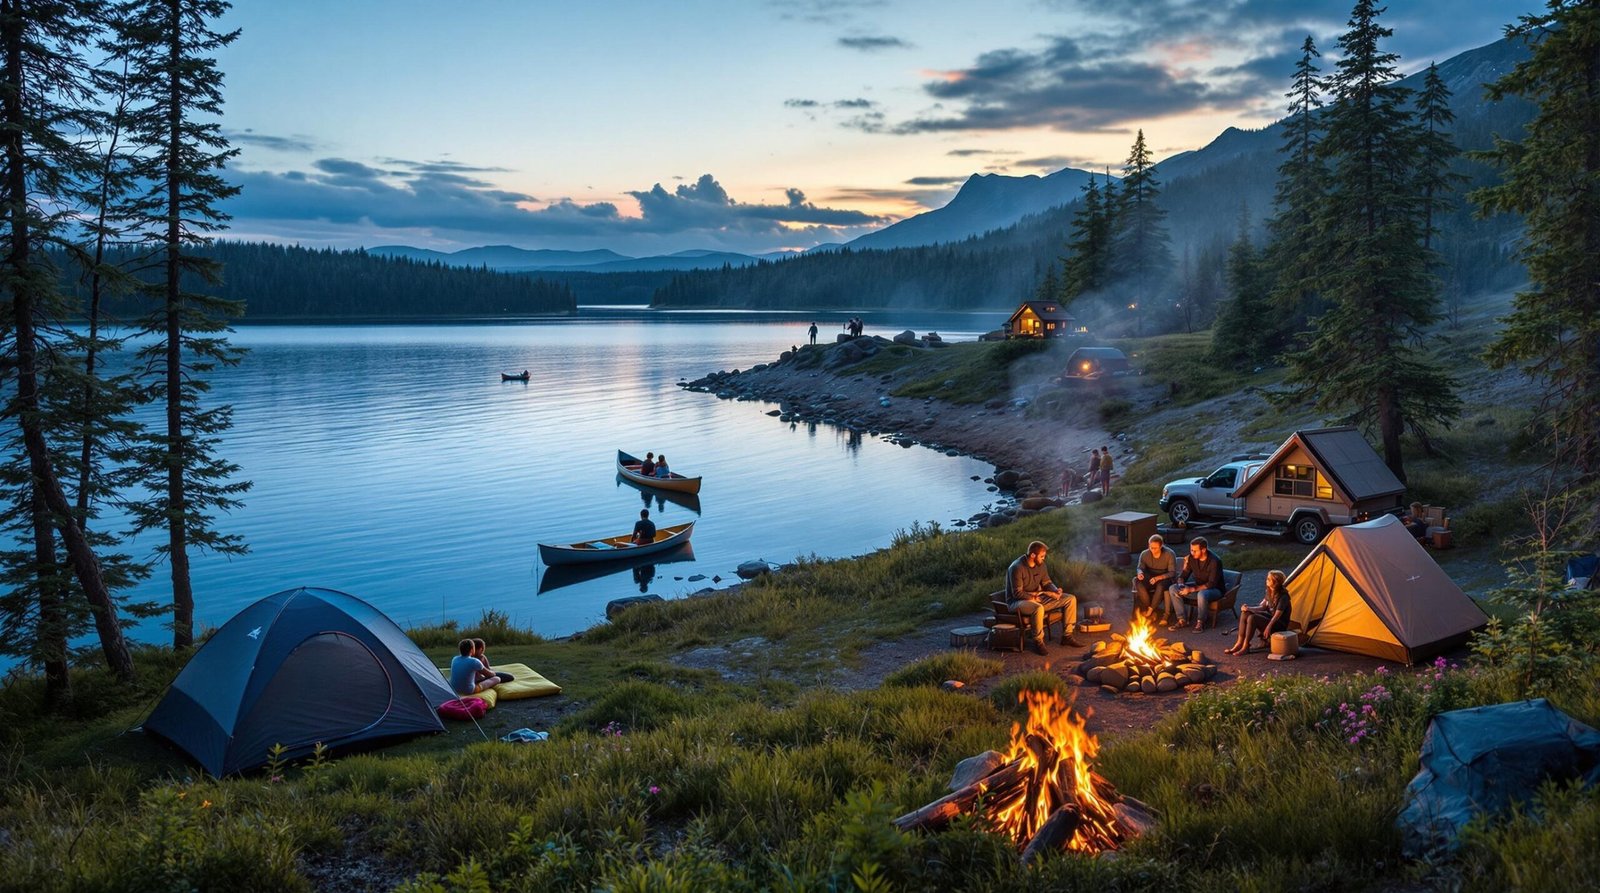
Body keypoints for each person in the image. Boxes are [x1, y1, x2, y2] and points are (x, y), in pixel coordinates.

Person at [1006, 540, 1082, 654]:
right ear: (1032, 555)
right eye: (1042, 556)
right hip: (1017, 602)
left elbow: (1047, 583)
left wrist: (1055, 590)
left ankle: (1067, 636)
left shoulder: (1040, 565)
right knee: (1038, 608)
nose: (1043, 558)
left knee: (1070, 599)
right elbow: (1017, 593)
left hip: (1037, 597)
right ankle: (1038, 641)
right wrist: (1033, 598)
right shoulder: (1017, 567)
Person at [1228, 569, 1293, 655]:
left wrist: (1268, 627)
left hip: (1278, 624)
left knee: (1253, 618)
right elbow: (1262, 606)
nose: (1266, 580)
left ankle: (1246, 646)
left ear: (1276, 582)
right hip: (1271, 619)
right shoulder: (1269, 592)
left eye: (1269, 579)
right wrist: (1248, 608)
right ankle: (1239, 643)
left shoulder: (1283, 596)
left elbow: (1277, 615)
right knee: (1246, 613)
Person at [1169, 537, 1225, 632]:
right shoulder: (1192, 558)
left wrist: (1190, 590)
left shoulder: (1215, 561)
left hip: (1215, 590)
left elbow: (1211, 584)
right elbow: (1184, 575)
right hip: (1198, 586)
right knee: (1173, 588)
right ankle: (1182, 619)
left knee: (1202, 594)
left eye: (1195, 551)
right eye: (1191, 550)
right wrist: (1181, 584)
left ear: (1203, 550)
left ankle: (1200, 622)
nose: (1192, 553)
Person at [1134, 534, 1176, 620]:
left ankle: (1150, 609)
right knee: (1136, 580)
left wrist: (1158, 578)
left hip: (1165, 578)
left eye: (1155, 548)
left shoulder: (1169, 554)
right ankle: (1148, 605)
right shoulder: (1144, 554)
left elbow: (1172, 573)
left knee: (1160, 586)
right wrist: (1140, 573)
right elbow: (1139, 568)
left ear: (1161, 546)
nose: (1153, 550)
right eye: (1151, 547)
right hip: (1150, 577)